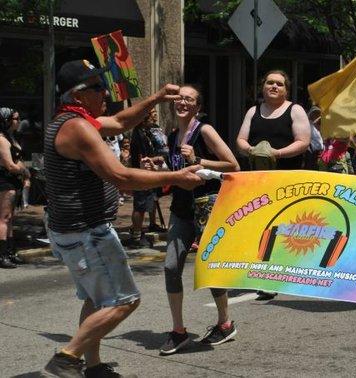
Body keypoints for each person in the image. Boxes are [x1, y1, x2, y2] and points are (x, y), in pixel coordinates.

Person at [43, 59, 203, 378]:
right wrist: (176, 177)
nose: (105, 92)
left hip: (72, 231)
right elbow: (121, 177)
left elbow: (118, 121)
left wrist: (155, 98)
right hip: (87, 232)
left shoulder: (73, 120)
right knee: (124, 301)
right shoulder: (77, 128)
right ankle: (66, 357)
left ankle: (93, 365)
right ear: (77, 95)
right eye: (97, 88)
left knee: (96, 298)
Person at [154, 84, 240, 355]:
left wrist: (201, 159)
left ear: (197, 106)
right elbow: (180, 170)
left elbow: (232, 164)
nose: (182, 102)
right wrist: (160, 166)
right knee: (170, 267)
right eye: (179, 98)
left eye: (189, 99)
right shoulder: (171, 136)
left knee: (209, 268)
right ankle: (178, 330)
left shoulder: (205, 130)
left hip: (207, 208)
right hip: (181, 209)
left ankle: (224, 323)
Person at [236, 70, 310, 300]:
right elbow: (240, 141)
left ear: (286, 89)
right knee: (261, 226)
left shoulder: (294, 110)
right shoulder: (253, 111)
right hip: (258, 181)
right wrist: (252, 150)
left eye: (279, 84)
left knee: (280, 229)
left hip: (286, 180)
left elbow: (303, 142)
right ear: (263, 87)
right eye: (270, 83)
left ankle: (275, 276)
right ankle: (265, 272)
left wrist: (275, 153)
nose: (274, 86)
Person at [127, 108, 168, 248]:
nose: (154, 117)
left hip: (149, 171)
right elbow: (139, 155)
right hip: (141, 172)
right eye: (152, 115)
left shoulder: (148, 132)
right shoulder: (138, 134)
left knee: (151, 199)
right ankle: (136, 235)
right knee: (140, 204)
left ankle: (152, 224)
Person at [0, 107, 29, 268]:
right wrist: (25, 171)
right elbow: (10, 165)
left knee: (9, 218)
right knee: (3, 218)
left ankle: (10, 251)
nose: (18, 121)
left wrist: (24, 174)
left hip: (13, 181)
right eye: (16, 118)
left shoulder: (10, 137)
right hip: (4, 182)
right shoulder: (2, 140)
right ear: (6, 121)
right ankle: (2, 254)